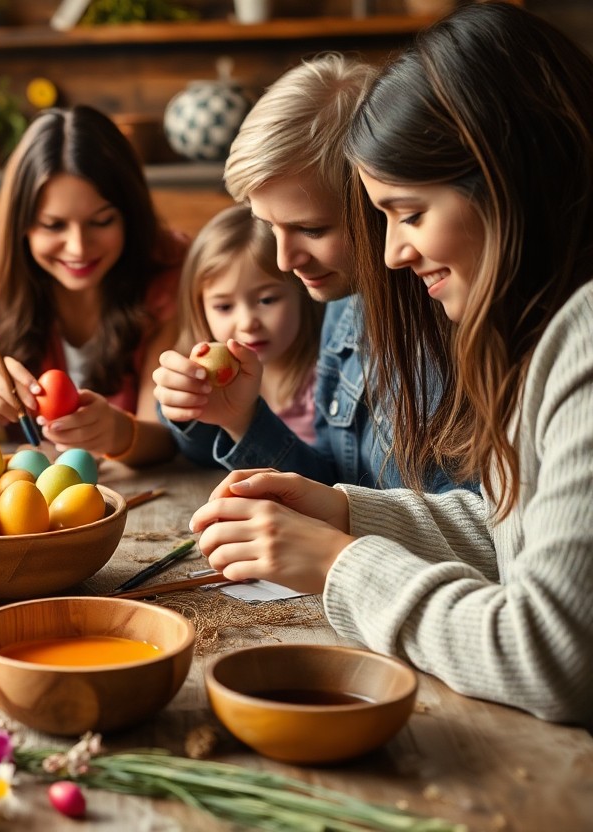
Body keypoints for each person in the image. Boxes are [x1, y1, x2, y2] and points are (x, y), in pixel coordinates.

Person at [190, 3, 593, 725]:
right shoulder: (539, 332)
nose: (391, 253)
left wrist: (341, 563)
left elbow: (550, 654)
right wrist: (347, 510)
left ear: (505, 181)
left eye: (408, 213)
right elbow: (515, 532)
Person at [152, 54, 446, 488]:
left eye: (309, 229)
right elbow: (333, 484)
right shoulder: (346, 309)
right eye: (270, 227)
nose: (284, 261)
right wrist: (239, 419)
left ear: (379, 204)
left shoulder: (444, 333)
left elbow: (472, 525)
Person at [0, 105, 187, 466]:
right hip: (29, 496)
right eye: (53, 226)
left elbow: (168, 439)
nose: (79, 247)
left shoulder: (169, 262)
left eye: (101, 221)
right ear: (22, 224)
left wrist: (119, 432)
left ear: (130, 215)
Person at [175, 203, 322, 444]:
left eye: (267, 300)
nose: (247, 323)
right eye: (224, 307)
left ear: (303, 294)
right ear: (200, 309)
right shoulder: (205, 380)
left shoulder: (324, 382)